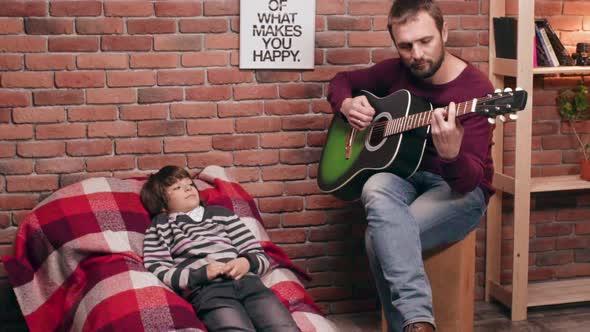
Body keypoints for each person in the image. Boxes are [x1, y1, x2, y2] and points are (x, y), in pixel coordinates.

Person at [327, 1, 495, 331]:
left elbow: (468, 181)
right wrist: (346, 104)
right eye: (405, 45)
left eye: (425, 41)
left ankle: (415, 322)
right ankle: (418, 323)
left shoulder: (476, 91)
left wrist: (452, 156)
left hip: (460, 190)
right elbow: (341, 80)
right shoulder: (395, 72)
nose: (416, 54)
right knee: (374, 186)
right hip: (406, 177)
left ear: (444, 33)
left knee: (379, 239)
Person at [140, 165, 300, 332]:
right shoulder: (161, 224)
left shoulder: (221, 214)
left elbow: (258, 253)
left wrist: (246, 262)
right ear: (162, 204)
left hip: (249, 283)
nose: (188, 189)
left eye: (189, 184)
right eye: (177, 187)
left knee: (283, 327)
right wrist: (199, 275)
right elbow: (158, 267)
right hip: (208, 291)